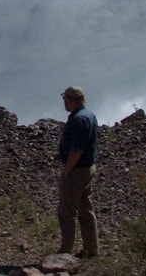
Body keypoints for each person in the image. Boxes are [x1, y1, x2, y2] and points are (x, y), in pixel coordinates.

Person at [56, 86, 99, 258]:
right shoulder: (90, 115)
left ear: (71, 99)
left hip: (77, 171)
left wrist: (67, 172)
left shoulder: (78, 120)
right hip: (88, 169)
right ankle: (91, 249)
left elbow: (77, 150)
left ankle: (65, 251)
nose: (64, 102)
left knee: (66, 211)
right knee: (85, 208)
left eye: (65, 98)